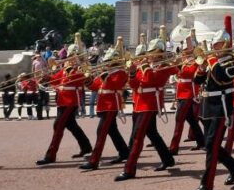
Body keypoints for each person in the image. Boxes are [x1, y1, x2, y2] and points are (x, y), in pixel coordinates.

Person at [191, 18, 234, 190]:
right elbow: (198, 81)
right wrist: (200, 69)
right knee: (210, 145)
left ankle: (206, 184)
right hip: (207, 107)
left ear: (227, 44)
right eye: (215, 44)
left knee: (211, 146)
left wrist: (212, 62)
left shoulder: (231, 60)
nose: (215, 46)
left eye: (219, 43)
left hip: (220, 107)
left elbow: (223, 78)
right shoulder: (213, 61)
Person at [115, 29, 176, 181]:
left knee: (138, 137)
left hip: (150, 104)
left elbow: (150, 80)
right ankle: (168, 159)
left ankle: (129, 169)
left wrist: (144, 67)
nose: (149, 55)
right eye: (150, 52)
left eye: (153, 52)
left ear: (160, 53)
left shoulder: (164, 66)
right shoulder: (146, 65)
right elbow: (135, 84)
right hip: (140, 103)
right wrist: (131, 73)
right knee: (152, 134)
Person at [36, 35, 93, 165]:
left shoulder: (79, 70)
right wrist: (46, 77)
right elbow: (56, 79)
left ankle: (50, 155)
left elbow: (80, 80)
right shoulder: (66, 69)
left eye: (74, 55)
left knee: (58, 126)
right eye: (70, 55)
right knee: (72, 126)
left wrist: (79, 65)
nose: (70, 58)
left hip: (70, 101)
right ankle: (86, 147)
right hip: (62, 101)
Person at [80, 42, 130, 170]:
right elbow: (95, 86)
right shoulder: (106, 73)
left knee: (101, 132)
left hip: (111, 105)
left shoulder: (121, 73)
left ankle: (94, 161)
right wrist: (88, 80)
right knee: (112, 131)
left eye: (108, 61)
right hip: (103, 105)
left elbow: (115, 85)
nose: (105, 64)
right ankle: (124, 152)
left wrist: (105, 76)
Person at [168, 45, 205, 155]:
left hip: (188, 94)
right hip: (181, 94)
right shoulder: (183, 62)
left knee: (179, 120)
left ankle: (173, 148)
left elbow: (189, 73)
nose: (184, 53)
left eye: (186, 51)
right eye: (184, 51)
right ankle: (202, 142)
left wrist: (179, 65)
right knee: (192, 121)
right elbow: (175, 73)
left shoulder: (195, 62)